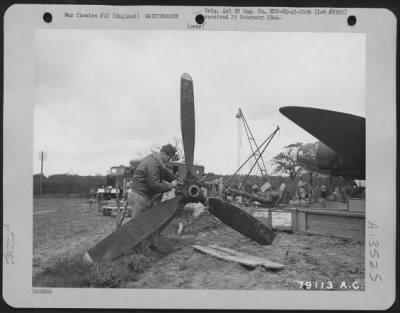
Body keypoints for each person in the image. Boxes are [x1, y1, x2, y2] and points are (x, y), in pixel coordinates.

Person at [128, 144, 179, 252]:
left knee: (153, 220)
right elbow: (154, 185)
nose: (169, 161)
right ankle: (135, 251)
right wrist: (171, 186)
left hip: (147, 195)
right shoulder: (153, 164)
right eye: (169, 158)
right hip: (141, 196)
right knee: (139, 223)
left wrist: (176, 179)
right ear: (164, 154)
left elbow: (165, 173)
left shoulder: (156, 162)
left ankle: (153, 247)